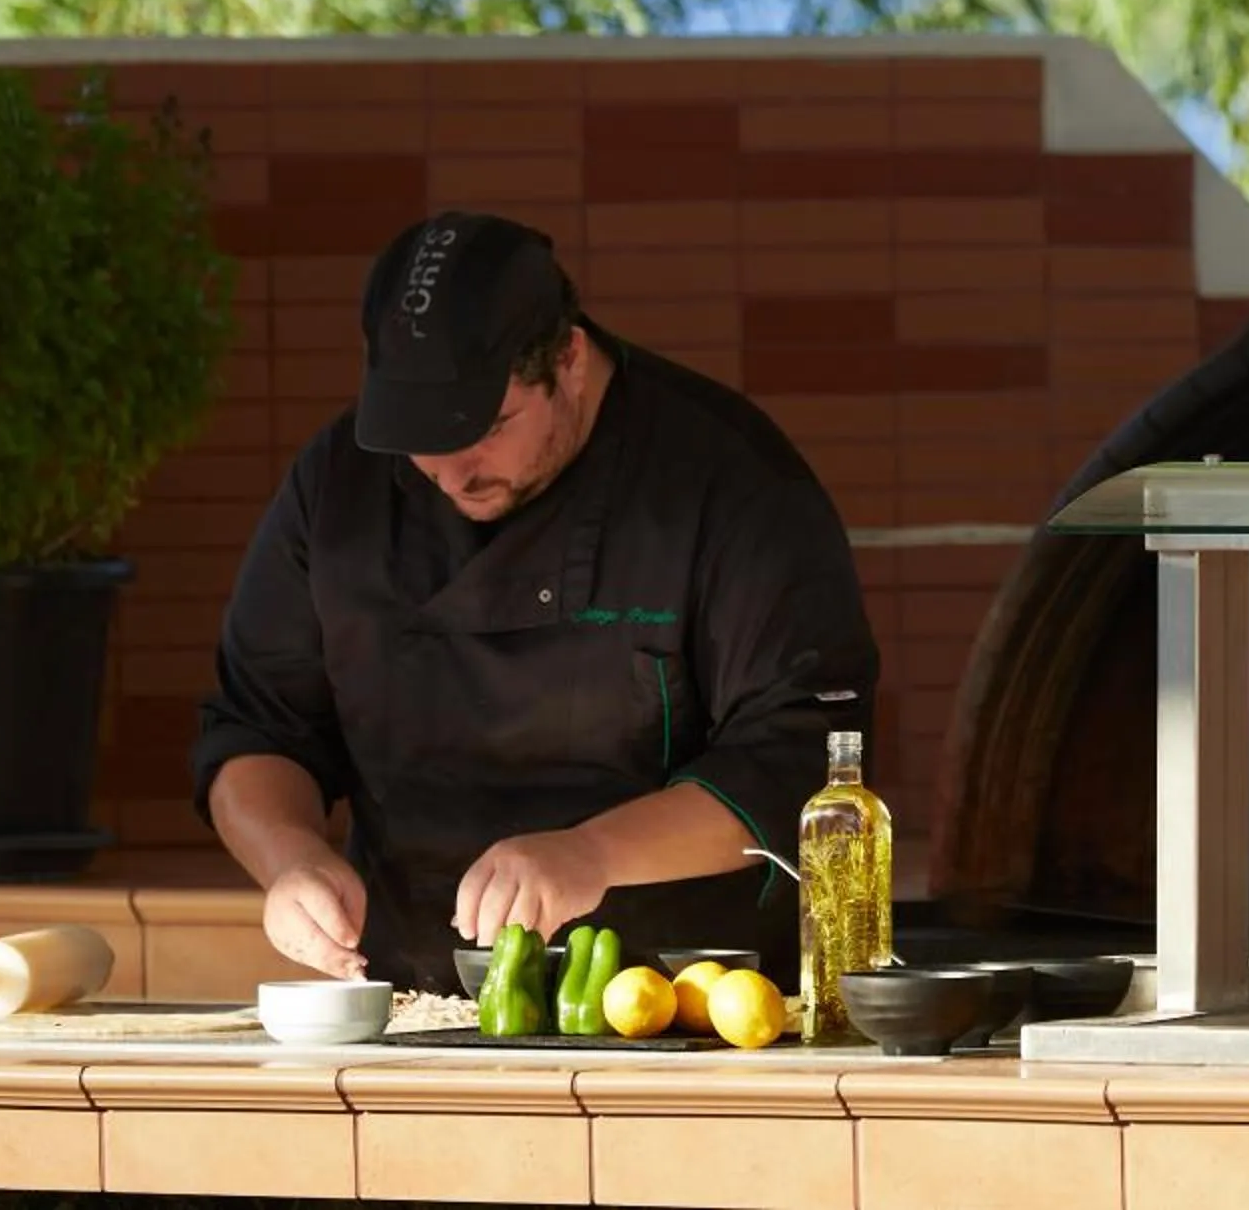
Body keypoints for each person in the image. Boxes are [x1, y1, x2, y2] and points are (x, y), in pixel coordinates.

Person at [190, 210, 881, 993]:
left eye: (488, 427)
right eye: (418, 440)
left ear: (571, 361)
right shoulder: (336, 486)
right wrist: (291, 863)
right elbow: (256, 723)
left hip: (686, 1001)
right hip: (417, 1000)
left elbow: (803, 758)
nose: (451, 473)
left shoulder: (730, 483)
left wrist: (591, 854)